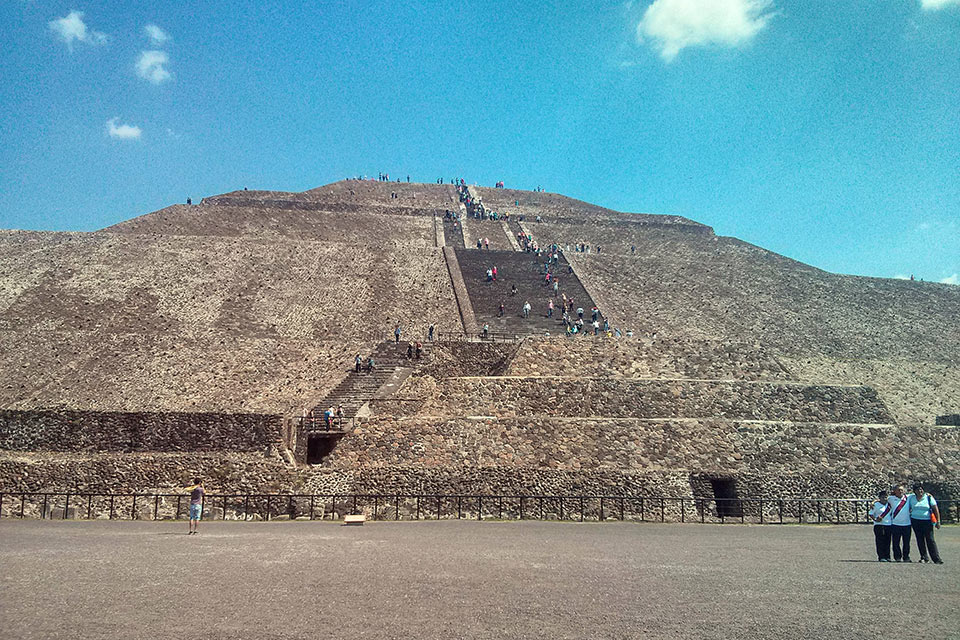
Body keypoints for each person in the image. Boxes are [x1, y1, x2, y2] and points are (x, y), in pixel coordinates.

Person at [908, 484, 943, 564]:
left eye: (921, 489)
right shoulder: (911, 498)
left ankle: (936, 558)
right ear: (914, 491)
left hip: (927, 521)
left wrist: (938, 521)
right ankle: (924, 557)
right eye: (917, 490)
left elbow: (935, 509)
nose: (920, 491)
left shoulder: (928, 497)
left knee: (930, 539)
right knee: (920, 539)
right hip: (915, 521)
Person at [878, 485, 913, 562]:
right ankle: (897, 557)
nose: (900, 491)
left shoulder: (909, 497)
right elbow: (880, 500)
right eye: (898, 490)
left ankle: (906, 557)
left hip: (907, 524)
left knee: (906, 542)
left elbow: (920, 494)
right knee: (896, 542)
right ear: (895, 491)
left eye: (901, 490)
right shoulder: (891, 498)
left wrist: (928, 494)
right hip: (895, 524)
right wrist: (873, 502)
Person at [869, 490, 892, 562]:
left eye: (885, 497)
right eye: (882, 497)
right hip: (879, 525)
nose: (884, 499)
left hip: (888, 524)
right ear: (880, 498)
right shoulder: (876, 505)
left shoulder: (889, 504)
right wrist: (875, 519)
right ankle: (881, 556)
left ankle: (887, 556)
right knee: (880, 541)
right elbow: (871, 514)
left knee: (888, 541)